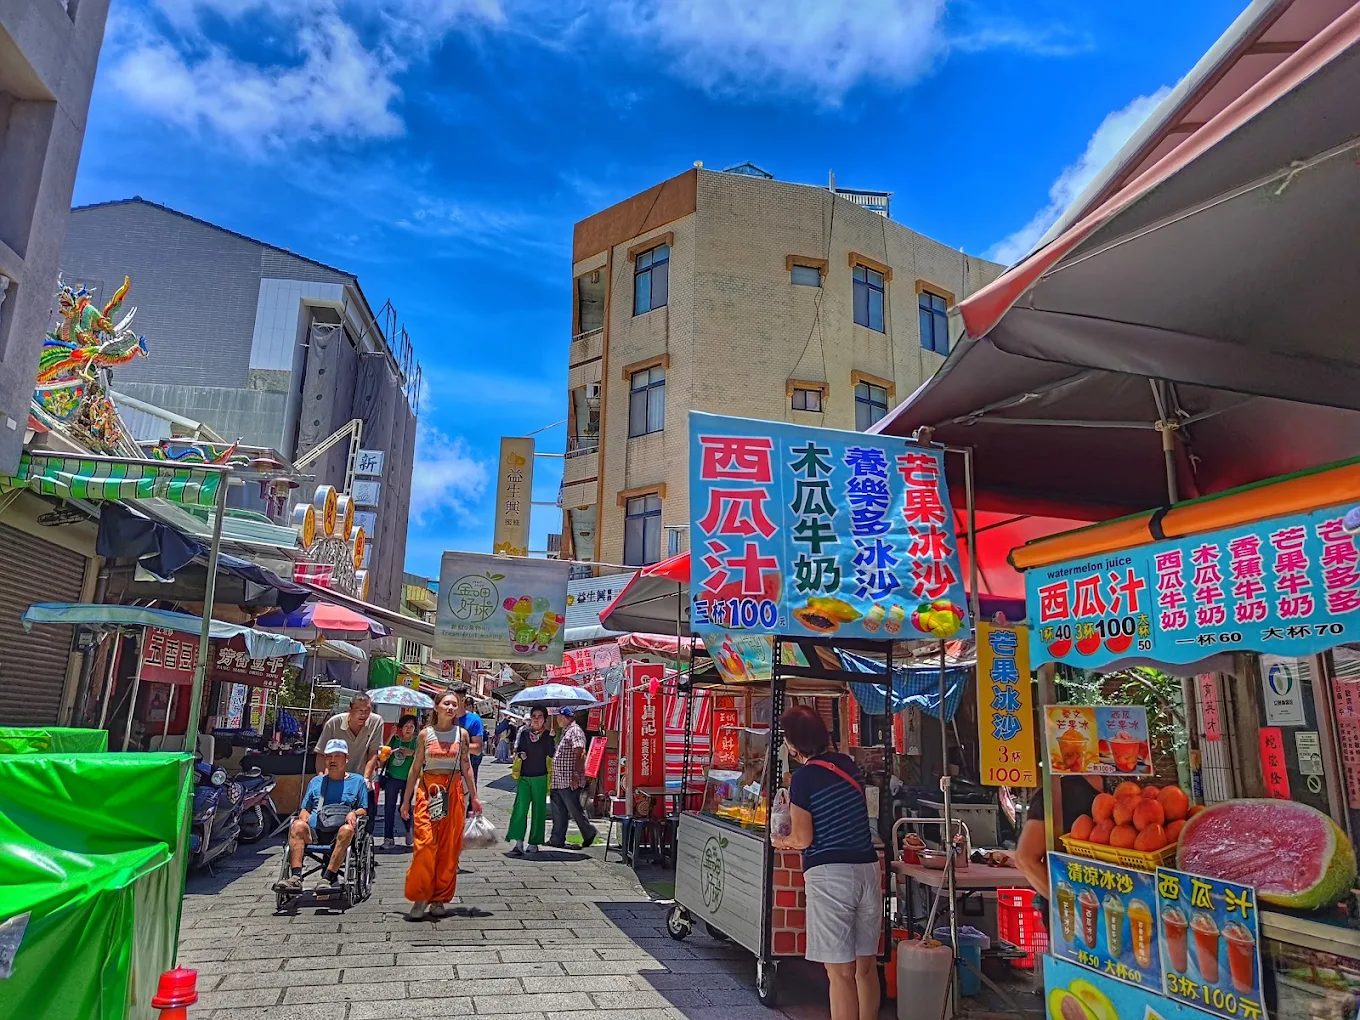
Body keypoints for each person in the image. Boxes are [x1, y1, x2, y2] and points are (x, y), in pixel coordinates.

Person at [772, 706, 879, 1020]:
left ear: (793, 746)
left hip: (831, 874)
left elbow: (803, 838)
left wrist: (780, 841)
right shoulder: (848, 765)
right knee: (865, 968)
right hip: (868, 869)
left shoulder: (804, 778)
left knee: (840, 973)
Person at [401, 691, 483, 921]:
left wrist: (474, 797)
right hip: (428, 791)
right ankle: (421, 896)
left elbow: (466, 766)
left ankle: (439, 898)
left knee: (448, 848)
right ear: (436, 707)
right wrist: (406, 800)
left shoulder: (462, 735)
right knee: (425, 844)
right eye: (446, 703)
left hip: (454, 792)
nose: (450, 707)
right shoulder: (425, 734)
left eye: (454, 704)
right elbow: (415, 767)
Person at [273, 738, 369, 893]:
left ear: (346, 759)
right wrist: (303, 819)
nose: (332, 760)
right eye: (329, 756)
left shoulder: (357, 781)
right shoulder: (316, 782)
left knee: (347, 830)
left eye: (337, 756)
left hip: (340, 830)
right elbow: (305, 809)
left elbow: (364, 809)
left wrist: (354, 812)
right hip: (316, 829)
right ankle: (296, 878)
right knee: (297, 825)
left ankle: (328, 877)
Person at [1015, 775, 1105, 902]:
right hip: (1071, 916)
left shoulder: (1121, 787)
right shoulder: (1057, 792)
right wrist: (1067, 905)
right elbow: (1025, 859)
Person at [506, 705, 553, 856]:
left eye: (540, 716)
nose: (537, 719)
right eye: (534, 716)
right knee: (520, 809)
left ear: (545, 719)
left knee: (538, 811)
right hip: (525, 776)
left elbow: (551, 754)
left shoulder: (548, 736)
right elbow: (518, 750)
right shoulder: (525, 733)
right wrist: (521, 754)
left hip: (540, 776)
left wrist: (551, 739)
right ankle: (518, 842)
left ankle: (534, 842)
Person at [547, 707, 597, 849]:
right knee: (558, 810)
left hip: (569, 780)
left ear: (564, 717)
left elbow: (580, 751)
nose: (557, 720)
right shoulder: (566, 731)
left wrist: (575, 774)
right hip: (559, 780)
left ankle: (588, 832)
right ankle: (556, 839)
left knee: (574, 809)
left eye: (559, 717)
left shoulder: (575, 730)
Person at [313, 692, 383, 781]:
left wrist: (365, 780)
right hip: (336, 779)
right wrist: (321, 779)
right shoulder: (334, 723)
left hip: (361, 779)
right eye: (359, 710)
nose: (363, 714)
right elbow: (321, 753)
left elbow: (373, 753)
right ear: (349, 709)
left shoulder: (376, 722)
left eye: (367, 710)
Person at [381, 714, 419, 850]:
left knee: (405, 806)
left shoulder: (417, 741)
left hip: (409, 779)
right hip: (392, 777)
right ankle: (388, 838)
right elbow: (383, 754)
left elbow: (423, 757)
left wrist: (412, 753)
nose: (408, 729)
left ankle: (409, 830)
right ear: (400, 728)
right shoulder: (395, 740)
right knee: (389, 808)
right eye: (406, 726)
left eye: (411, 726)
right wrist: (391, 736)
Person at [459, 694, 486, 789]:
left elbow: (478, 746)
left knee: (470, 781)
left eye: (469, 706)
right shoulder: (451, 716)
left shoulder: (474, 718)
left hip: (472, 756)